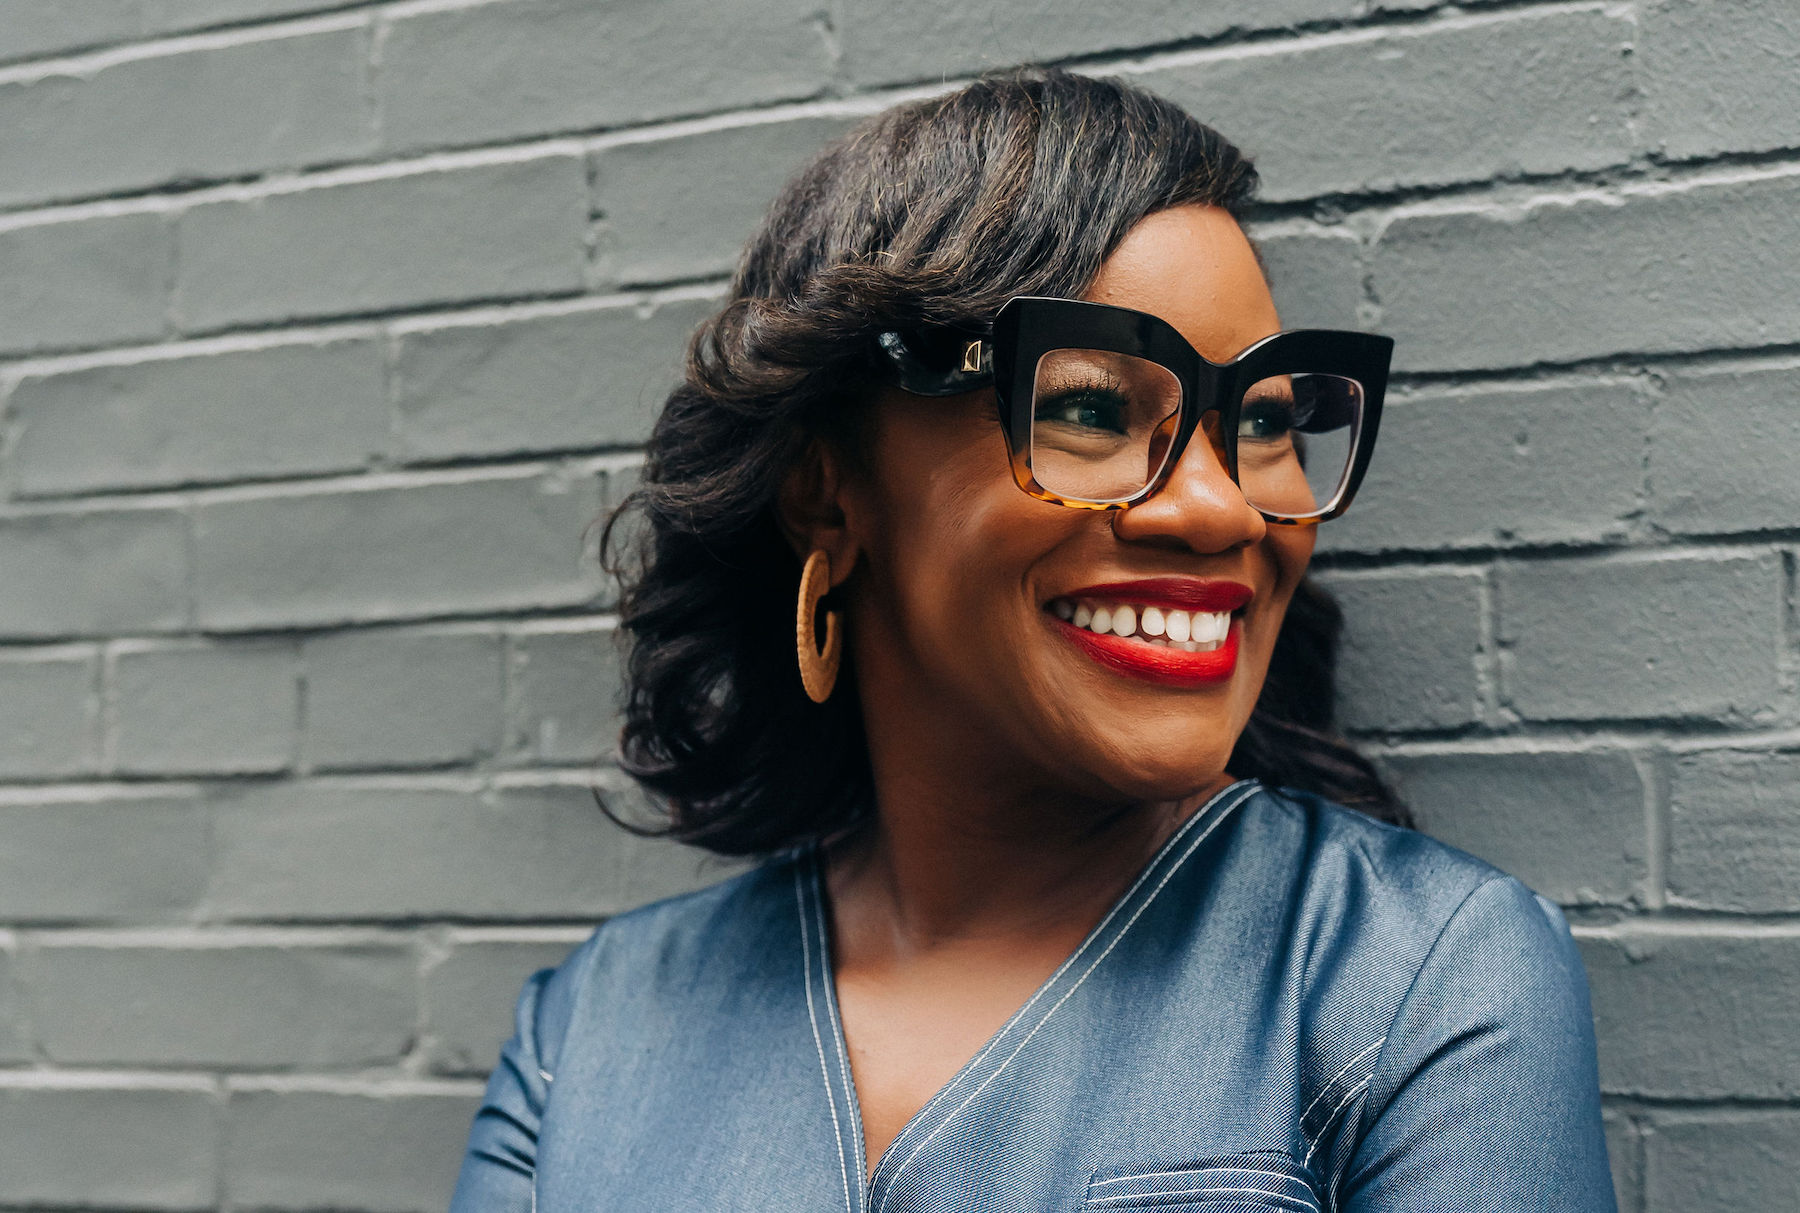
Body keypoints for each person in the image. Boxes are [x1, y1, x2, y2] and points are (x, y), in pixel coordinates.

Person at [449, 68, 1614, 1211]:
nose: (1220, 510)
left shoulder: (1417, 979)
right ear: (827, 493)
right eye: (1092, 408)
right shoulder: (594, 1031)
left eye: (1261, 423)